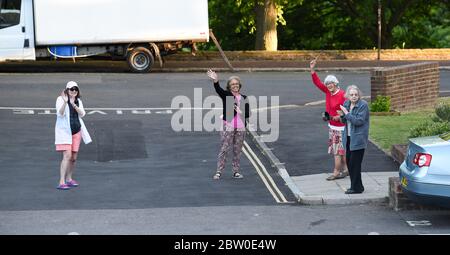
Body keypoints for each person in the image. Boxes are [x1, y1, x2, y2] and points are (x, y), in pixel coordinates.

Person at [206, 69, 250, 180]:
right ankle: (219, 171)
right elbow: (218, 90)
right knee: (224, 149)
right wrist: (216, 80)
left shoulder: (244, 98)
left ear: (240, 85)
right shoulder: (227, 96)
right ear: (229, 87)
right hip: (228, 125)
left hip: (241, 127)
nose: (235, 86)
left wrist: (241, 112)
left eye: (236, 84)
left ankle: (236, 171)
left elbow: (248, 113)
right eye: (232, 84)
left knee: (237, 150)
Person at [309, 59, 349, 180]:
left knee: (337, 151)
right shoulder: (327, 92)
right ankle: (347, 169)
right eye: (327, 84)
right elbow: (317, 83)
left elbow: (347, 111)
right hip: (332, 126)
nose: (329, 85)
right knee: (340, 150)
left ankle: (336, 172)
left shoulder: (342, 94)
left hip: (341, 127)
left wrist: (340, 115)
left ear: (336, 83)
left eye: (331, 83)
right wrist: (312, 69)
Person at [55, 81, 92, 190]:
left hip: (77, 132)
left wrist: (74, 104)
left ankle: (69, 179)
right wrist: (66, 102)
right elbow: (60, 113)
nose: (74, 91)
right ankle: (61, 181)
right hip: (65, 133)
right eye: (71, 89)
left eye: (76, 89)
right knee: (67, 156)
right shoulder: (60, 99)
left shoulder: (78, 101)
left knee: (74, 158)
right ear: (67, 90)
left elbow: (82, 114)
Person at [338, 85, 369, 194]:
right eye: (351, 95)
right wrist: (342, 116)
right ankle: (358, 186)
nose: (354, 96)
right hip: (348, 138)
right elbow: (344, 122)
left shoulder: (363, 105)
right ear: (348, 96)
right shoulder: (346, 104)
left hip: (359, 139)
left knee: (355, 164)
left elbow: (358, 121)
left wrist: (346, 114)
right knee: (350, 163)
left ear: (359, 95)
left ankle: (355, 188)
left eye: (356, 94)